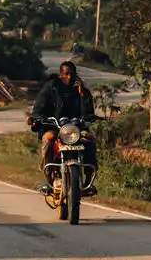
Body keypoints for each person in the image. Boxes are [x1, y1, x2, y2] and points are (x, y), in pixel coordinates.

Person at [30, 60, 100, 195]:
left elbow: (88, 112)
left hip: (76, 129)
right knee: (48, 139)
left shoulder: (81, 90)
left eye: (72, 74)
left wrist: (83, 94)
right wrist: (37, 119)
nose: (70, 77)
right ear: (60, 74)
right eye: (66, 74)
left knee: (90, 140)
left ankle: (88, 180)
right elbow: (39, 106)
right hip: (54, 127)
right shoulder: (51, 87)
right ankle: (48, 178)